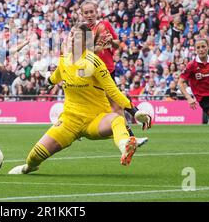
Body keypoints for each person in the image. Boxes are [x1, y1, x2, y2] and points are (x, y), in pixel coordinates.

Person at [8, 24, 151, 175]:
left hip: (95, 119)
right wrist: (48, 82)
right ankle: (27, 168)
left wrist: (134, 112)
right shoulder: (64, 60)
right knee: (34, 156)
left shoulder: (94, 63)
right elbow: (56, 76)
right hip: (69, 122)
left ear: (85, 43)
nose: (70, 39)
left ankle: (125, 147)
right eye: (70, 35)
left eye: (75, 37)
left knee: (117, 120)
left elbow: (113, 91)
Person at [80, 0, 150, 147]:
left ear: (96, 11)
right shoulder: (82, 31)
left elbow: (118, 45)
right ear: (82, 14)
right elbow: (84, 53)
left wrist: (111, 42)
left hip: (107, 70)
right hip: (92, 74)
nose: (89, 15)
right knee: (111, 104)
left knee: (116, 105)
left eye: (91, 12)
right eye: (86, 13)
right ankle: (134, 125)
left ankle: (131, 136)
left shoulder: (105, 25)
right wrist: (99, 46)